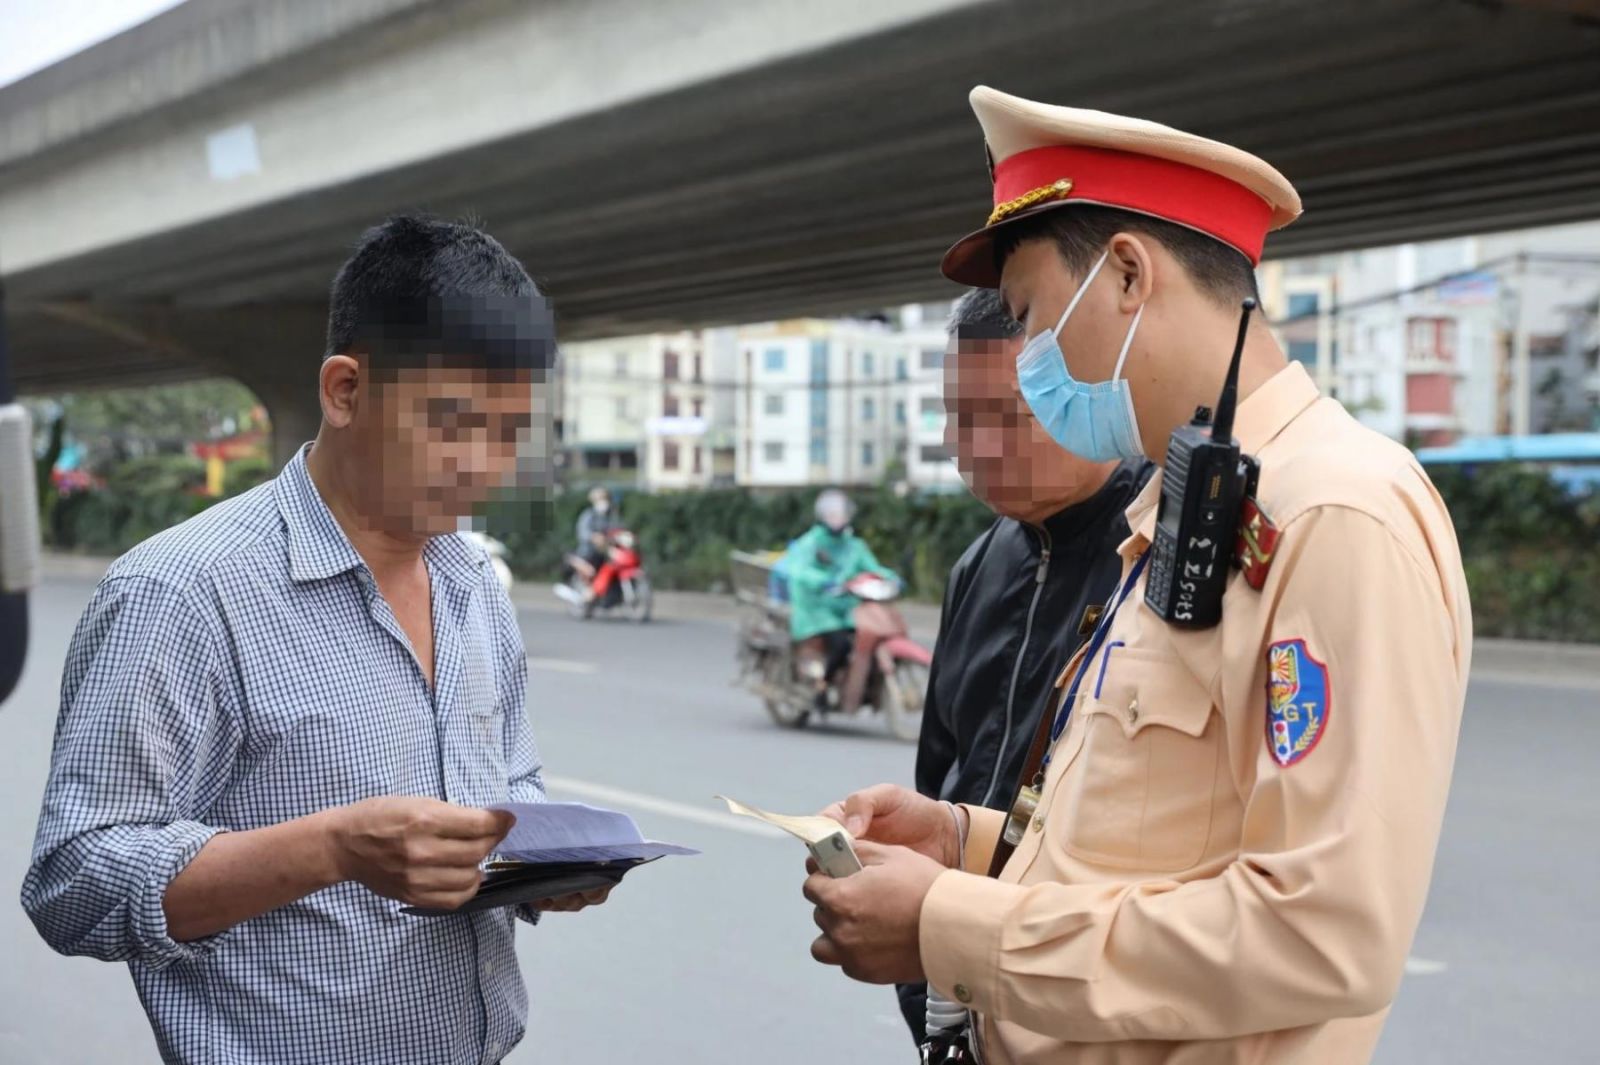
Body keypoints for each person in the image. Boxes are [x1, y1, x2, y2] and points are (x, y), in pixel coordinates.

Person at [804, 87, 1471, 1065]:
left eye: (1031, 320)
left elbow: (1325, 937)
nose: (1028, 364)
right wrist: (967, 841)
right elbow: (1156, 839)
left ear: (1125, 274)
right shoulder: (1184, 506)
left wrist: (954, 925)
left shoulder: (1332, 513)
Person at [22, 215, 608, 1065]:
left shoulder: (472, 581)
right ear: (344, 390)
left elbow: (509, 783)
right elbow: (74, 881)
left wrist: (549, 867)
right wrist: (331, 847)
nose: (484, 465)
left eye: (510, 433)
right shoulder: (184, 592)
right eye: (452, 422)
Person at [894, 286, 1154, 1047]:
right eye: (956, 415)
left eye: (1004, 416)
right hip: (960, 993)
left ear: (1082, 390)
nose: (972, 446)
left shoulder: (1157, 554)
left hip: (1088, 1002)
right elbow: (940, 780)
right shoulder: (980, 564)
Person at [786, 489, 900, 706]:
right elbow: (800, 571)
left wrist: (891, 578)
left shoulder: (854, 545)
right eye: (832, 515)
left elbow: (873, 568)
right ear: (822, 516)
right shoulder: (811, 543)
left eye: (841, 514)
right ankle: (823, 685)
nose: (837, 519)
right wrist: (823, 581)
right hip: (816, 609)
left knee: (864, 636)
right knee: (840, 645)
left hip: (847, 608)